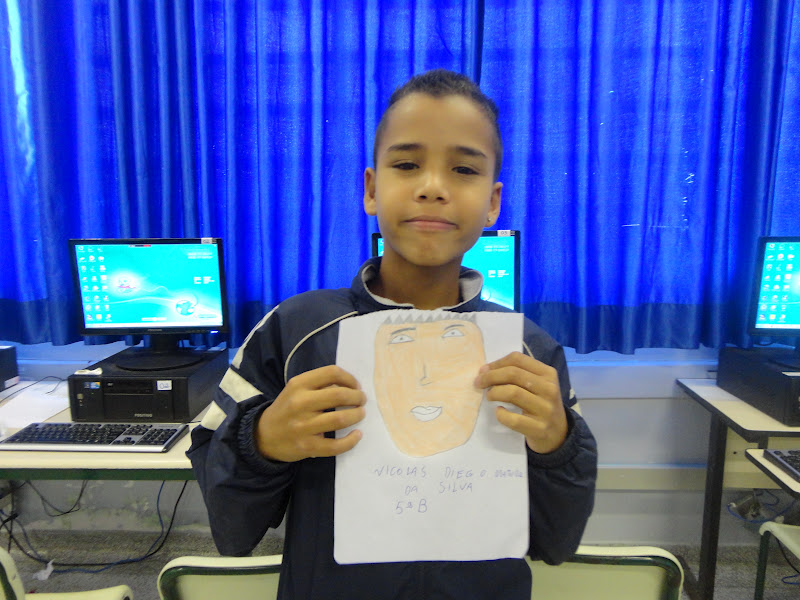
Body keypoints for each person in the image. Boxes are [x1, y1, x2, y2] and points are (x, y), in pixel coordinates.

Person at [188, 68, 598, 600]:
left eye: (463, 170)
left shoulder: (530, 351)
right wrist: (261, 441)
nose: (432, 187)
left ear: (492, 203)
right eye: (406, 165)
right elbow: (230, 519)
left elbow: (558, 540)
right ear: (372, 189)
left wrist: (557, 446)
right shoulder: (293, 332)